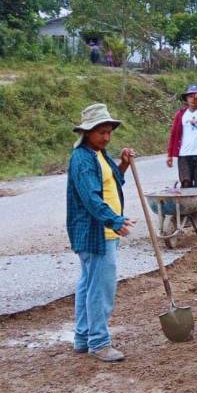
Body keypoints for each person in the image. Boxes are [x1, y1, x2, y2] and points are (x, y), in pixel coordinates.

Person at [67, 103, 137, 362]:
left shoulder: (99, 154)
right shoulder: (83, 159)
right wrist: (113, 220)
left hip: (102, 230)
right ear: (87, 132)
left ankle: (83, 337)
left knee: (88, 284)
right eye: (101, 133)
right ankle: (99, 342)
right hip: (96, 232)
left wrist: (124, 164)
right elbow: (91, 198)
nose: (107, 137)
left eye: (109, 132)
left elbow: (112, 183)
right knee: (101, 288)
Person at [167, 85, 197, 188]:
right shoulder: (180, 114)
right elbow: (174, 134)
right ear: (186, 99)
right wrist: (170, 155)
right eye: (190, 96)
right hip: (183, 154)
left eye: (196, 96)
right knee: (185, 183)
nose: (193, 99)